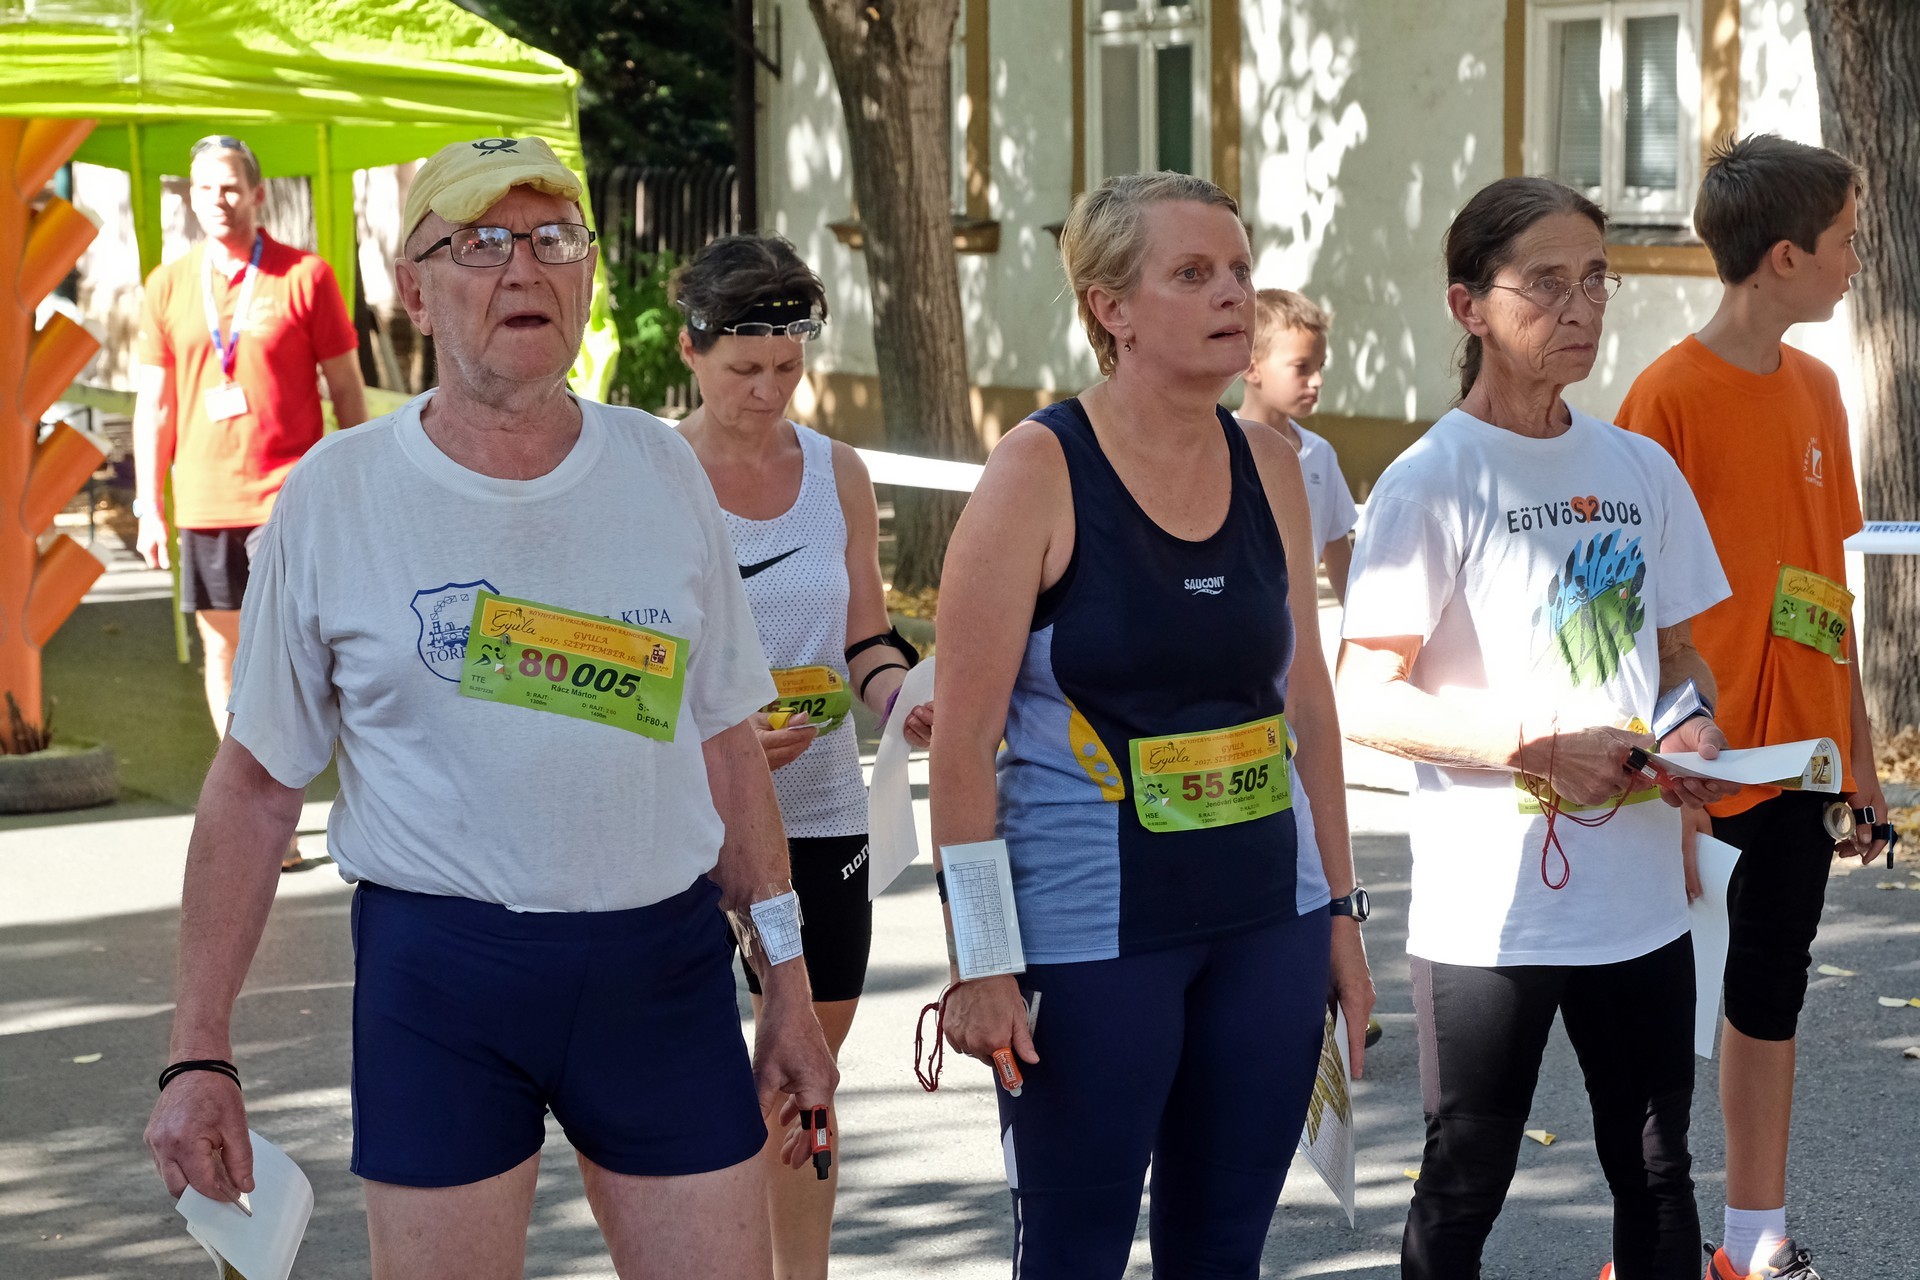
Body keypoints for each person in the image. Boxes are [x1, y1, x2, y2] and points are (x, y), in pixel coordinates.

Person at [141, 135, 837, 1279]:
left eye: (554, 238)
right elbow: (256, 790)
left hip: (658, 967)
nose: (525, 268)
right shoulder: (336, 495)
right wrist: (196, 1050)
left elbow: (727, 745)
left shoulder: (662, 471)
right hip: (440, 977)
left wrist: (791, 988)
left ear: (588, 275)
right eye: (479, 242)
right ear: (412, 289)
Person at [929, 170, 1374, 1278]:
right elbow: (962, 740)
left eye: (1240, 270)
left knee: (1222, 1252)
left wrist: (1341, 910)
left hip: (1268, 919)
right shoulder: (1038, 468)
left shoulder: (1274, 463)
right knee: (1073, 1254)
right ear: (1111, 308)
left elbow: (1308, 707)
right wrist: (982, 960)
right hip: (1093, 938)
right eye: (1192, 273)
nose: (1233, 295)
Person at [1335, 176, 1738, 1280]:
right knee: (1466, 1178)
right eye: (1547, 282)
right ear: (1468, 306)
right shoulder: (1431, 479)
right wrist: (1531, 745)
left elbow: (1679, 656)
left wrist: (1691, 728)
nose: (1581, 307)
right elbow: (1364, 694)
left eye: (1596, 280)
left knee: (1657, 1169)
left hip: (1639, 901)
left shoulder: (1639, 466)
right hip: (1493, 911)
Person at [1617, 134, 1882, 1280]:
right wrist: (1664, 777)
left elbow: (1826, 590)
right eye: (1845, 243)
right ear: (1784, 256)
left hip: (1805, 763)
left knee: (1770, 997)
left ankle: (1752, 1238)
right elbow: (1625, 611)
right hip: (1701, 768)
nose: (1857, 262)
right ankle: (1649, 1245)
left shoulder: (1819, 389)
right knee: (1663, 1021)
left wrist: (1861, 762)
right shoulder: (1664, 397)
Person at [671, 233, 932, 1279]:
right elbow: (621, 663)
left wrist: (901, 697)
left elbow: (865, 636)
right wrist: (715, 740)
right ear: (691, 351)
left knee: (803, 1081)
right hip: (686, 824)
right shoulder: (651, 472)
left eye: (787, 367)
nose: (768, 390)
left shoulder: (838, 471)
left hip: (821, 814)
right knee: (691, 1091)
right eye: (745, 368)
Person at [132, 135, 368, 870]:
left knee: (306, 657)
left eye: (231, 186)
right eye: (204, 188)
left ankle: (332, 800)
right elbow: (155, 406)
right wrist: (148, 504)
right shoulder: (168, 285)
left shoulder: (305, 276)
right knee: (225, 652)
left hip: (290, 500)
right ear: (190, 197)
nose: (218, 200)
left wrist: (362, 488)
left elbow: (347, 388)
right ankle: (261, 813)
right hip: (206, 501)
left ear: (258, 193)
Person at [1237, 288, 1359, 601]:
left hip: (1299, 624)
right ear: (1251, 367)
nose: (1317, 380)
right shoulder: (1221, 446)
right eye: (1302, 367)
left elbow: (1338, 555)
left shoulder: (1321, 454)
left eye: (1321, 366)